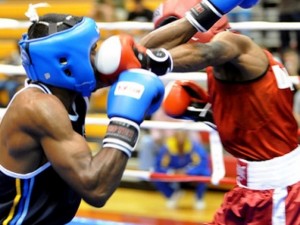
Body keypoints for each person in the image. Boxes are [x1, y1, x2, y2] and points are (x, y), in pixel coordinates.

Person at [137, 0, 300, 224]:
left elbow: (205, 53)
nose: (174, 42)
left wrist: (148, 59)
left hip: (278, 193)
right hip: (250, 190)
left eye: (178, 31)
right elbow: (256, 123)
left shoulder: (231, 43)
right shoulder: (233, 67)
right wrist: (206, 114)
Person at [0, 5, 166, 224]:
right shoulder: (37, 107)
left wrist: (200, 16)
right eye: (92, 49)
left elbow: (138, 53)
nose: (98, 55)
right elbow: (96, 188)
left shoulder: (70, 89)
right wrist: (125, 122)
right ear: (66, 62)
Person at [153, 130, 211, 210]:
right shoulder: (166, 148)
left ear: (186, 137)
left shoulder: (194, 147)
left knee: (205, 174)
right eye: (178, 137)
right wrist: (171, 172)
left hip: (189, 174)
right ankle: (172, 195)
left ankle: (199, 198)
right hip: (173, 173)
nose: (181, 139)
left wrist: (187, 171)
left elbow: (202, 163)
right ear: (174, 137)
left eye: (183, 137)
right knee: (155, 176)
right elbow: (159, 166)